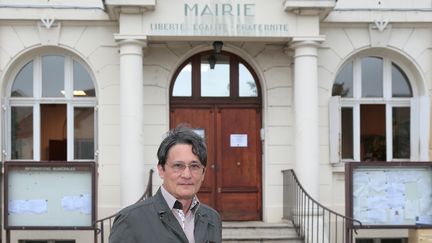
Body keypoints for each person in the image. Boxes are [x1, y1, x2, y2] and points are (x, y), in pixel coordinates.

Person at [109, 125, 222, 243]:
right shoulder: (131, 219)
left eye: (194, 166)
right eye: (178, 166)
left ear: (203, 172)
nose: (187, 175)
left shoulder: (212, 218)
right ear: (161, 170)